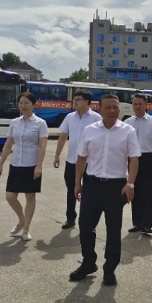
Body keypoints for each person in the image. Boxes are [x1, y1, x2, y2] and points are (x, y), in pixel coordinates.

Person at [69, 93, 141, 286]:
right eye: (108, 107)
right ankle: (88, 262)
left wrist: (130, 184)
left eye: (115, 107)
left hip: (116, 187)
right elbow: (81, 157)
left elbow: (134, 159)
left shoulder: (128, 131)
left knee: (113, 229)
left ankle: (110, 269)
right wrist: (78, 182)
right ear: (99, 109)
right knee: (85, 226)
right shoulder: (90, 130)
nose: (112, 110)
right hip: (92, 184)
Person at [0, 92, 48, 242]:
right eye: (21, 103)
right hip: (16, 163)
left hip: (31, 164)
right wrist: (0, 164)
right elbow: (8, 144)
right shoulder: (14, 122)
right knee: (10, 196)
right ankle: (22, 219)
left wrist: (39, 166)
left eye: (26, 103)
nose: (23, 106)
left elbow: (43, 146)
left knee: (30, 197)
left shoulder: (40, 123)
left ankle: (26, 229)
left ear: (33, 104)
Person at [53, 89, 101, 229]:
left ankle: (86, 219)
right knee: (71, 190)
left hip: (90, 163)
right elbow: (63, 136)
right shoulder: (69, 117)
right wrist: (57, 156)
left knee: (88, 192)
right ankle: (70, 218)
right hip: (72, 161)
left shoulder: (96, 118)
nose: (75, 102)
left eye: (78, 99)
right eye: (74, 99)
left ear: (87, 101)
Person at [124, 93, 152, 234]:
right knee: (133, 190)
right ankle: (137, 223)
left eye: (140, 104)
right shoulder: (127, 122)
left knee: (146, 192)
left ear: (146, 105)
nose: (137, 106)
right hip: (132, 159)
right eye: (135, 104)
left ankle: (147, 224)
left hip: (148, 159)